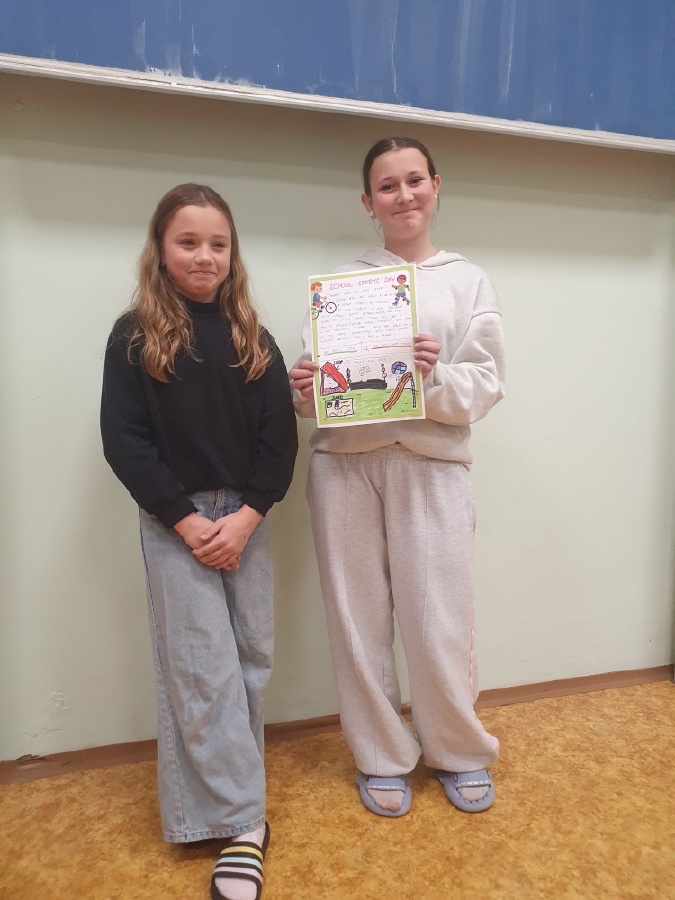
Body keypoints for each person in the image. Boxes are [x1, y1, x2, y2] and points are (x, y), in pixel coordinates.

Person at [289, 137, 505, 818]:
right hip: (344, 469)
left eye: (414, 180)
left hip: (431, 467)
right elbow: (318, 389)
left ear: (435, 186)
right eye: (387, 186)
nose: (403, 195)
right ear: (368, 202)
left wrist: (431, 376)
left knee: (440, 620)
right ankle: (381, 755)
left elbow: (486, 382)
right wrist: (305, 388)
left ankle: (458, 750)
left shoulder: (467, 280)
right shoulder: (340, 287)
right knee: (357, 623)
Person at [101, 183, 298, 900]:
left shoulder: (254, 337)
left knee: (250, 661)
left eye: (218, 243)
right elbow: (124, 440)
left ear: (232, 253)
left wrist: (247, 517)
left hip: (245, 519)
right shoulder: (134, 336)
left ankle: (221, 802)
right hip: (175, 523)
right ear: (161, 250)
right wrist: (186, 521)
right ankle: (242, 825)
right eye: (188, 242)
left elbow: (280, 437)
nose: (204, 256)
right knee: (201, 670)